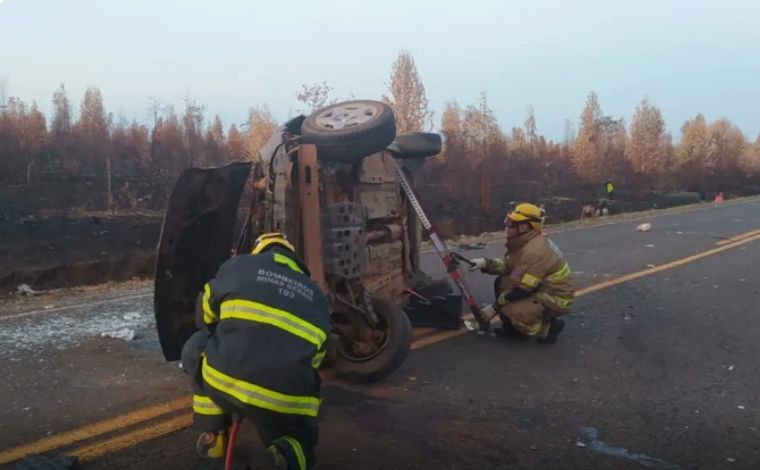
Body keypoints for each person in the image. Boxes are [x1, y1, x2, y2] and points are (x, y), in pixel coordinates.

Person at [181, 233, 331, 469]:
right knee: (298, 422)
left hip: (224, 380)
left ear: (259, 251)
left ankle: (214, 436)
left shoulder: (239, 266)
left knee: (197, 345)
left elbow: (204, 316)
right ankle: (291, 449)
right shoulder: (317, 297)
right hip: (287, 400)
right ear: (293, 259)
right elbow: (316, 359)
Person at [469, 203, 574, 343]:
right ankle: (513, 329)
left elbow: (521, 289)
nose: (506, 227)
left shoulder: (534, 251)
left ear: (523, 226)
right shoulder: (525, 242)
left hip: (555, 297)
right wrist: (485, 263)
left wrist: (494, 308)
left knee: (510, 309)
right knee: (501, 282)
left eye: (510, 224)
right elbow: (508, 265)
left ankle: (547, 329)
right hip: (541, 288)